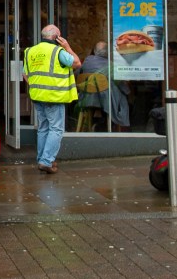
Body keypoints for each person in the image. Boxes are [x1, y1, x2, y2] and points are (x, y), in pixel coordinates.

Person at [23, 24, 81, 174]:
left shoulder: (30, 51)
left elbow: (25, 74)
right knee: (56, 129)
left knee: (43, 128)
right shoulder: (58, 51)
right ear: (57, 38)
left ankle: (42, 159)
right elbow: (76, 63)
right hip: (54, 96)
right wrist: (68, 47)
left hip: (37, 96)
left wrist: (37, 86)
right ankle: (46, 161)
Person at [76, 41, 130, 132]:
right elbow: (120, 83)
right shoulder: (111, 65)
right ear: (108, 53)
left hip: (87, 99)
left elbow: (77, 75)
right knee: (121, 97)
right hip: (106, 101)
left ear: (94, 51)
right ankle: (111, 126)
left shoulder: (87, 61)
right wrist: (127, 91)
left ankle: (97, 122)